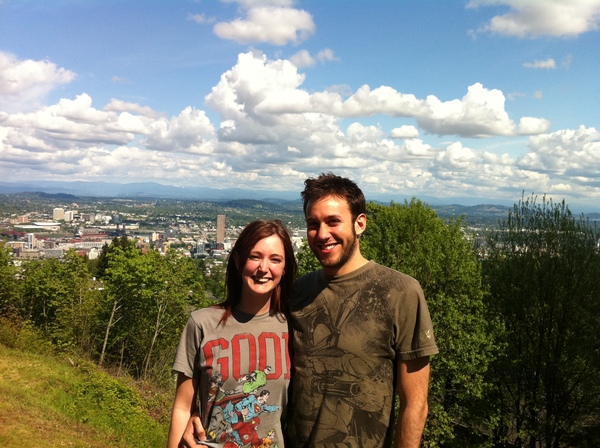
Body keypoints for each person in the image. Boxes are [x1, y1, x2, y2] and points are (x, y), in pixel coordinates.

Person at [285, 172, 439, 448]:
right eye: (313, 224)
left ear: (360, 224)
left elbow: (415, 405)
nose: (322, 234)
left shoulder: (401, 292)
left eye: (333, 221)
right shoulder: (297, 292)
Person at [167, 219, 297, 448]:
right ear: (238, 260)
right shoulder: (201, 324)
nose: (264, 268)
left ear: (284, 269)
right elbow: (182, 407)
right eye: (255, 256)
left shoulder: (295, 327)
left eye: (275, 259)